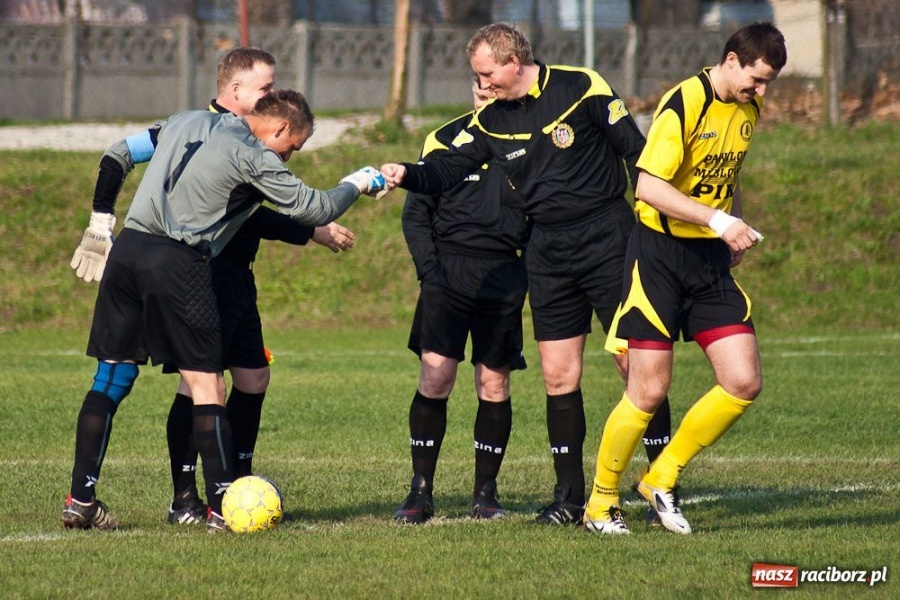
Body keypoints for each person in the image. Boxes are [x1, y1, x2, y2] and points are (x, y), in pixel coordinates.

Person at [381, 23, 671, 526]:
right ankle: (569, 498)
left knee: (636, 366)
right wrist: (407, 172)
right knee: (558, 375)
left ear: (513, 62)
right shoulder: (491, 120)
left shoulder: (581, 86)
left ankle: (663, 482)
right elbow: (447, 170)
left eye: (486, 74)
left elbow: (635, 152)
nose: (481, 84)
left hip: (609, 239)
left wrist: (653, 227)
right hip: (547, 252)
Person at [63, 89, 386, 531]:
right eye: (293, 147)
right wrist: (359, 182)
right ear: (280, 126)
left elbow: (120, 152)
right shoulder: (253, 154)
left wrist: (101, 218)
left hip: (127, 251)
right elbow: (317, 207)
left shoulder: (184, 119)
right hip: (179, 261)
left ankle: (80, 498)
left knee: (112, 374)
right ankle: (220, 508)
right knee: (207, 384)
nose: (289, 156)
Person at [582, 22, 787, 535]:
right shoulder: (684, 102)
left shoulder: (748, 107)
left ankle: (660, 478)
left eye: (768, 82)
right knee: (648, 390)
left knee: (743, 381)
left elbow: (728, 174)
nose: (761, 90)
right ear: (732, 60)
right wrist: (718, 221)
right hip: (659, 257)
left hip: (707, 259)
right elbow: (649, 187)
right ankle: (599, 503)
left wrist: (728, 225)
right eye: (757, 79)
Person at [393, 81, 529, 524]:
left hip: (503, 275)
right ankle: (420, 491)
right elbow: (416, 213)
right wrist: (431, 274)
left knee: (494, 384)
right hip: (447, 275)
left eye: (494, 86)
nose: (485, 93)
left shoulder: (528, 140)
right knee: (436, 379)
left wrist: (526, 269)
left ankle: (486, 493)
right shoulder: (444, 139)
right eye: (478, 85)